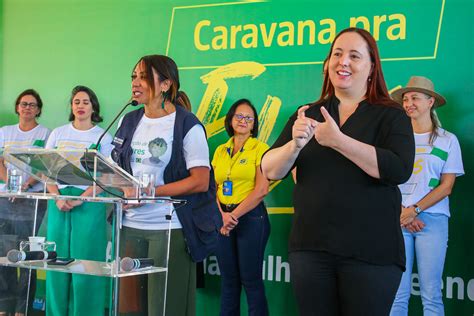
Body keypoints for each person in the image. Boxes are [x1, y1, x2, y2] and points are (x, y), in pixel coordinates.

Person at [260, 27, 416, 315]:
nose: (343, 62)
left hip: (371, 253)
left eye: (354, 56)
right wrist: (294, 145)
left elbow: (399, 169)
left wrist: (339, 141)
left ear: (371, 68)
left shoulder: (391, 115)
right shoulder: (307, 113)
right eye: (337, 54)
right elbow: (270, 169)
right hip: (311, 250)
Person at [111, 54, 221, 316]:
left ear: (165, 85)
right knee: (129, 308)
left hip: (168, 227)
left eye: (144, 77)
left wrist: (151, 192)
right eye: (134, 76)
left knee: (165, 307)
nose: (136, 83)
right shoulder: (128, 121)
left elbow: (200, 180)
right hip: (129, 226)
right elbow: (115, 169)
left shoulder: (187, 124)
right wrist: (118, 187)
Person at [390, 76, 464, 316]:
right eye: (406, 99)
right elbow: (386, 178)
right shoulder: (396, 139)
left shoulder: (447, 139)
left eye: (415, 98)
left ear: (430, 101)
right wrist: (404, 212)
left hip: (432, 220)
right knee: (396, 295)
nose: (409, 103)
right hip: (397, 218)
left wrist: (415, 210)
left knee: (431, 294)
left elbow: (447, 186)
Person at [45, 85, 113, 316]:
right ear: (71, 106)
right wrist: (57, 196)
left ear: (94, 107)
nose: (80, 106)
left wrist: (82, 199)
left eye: (85, 102)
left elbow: (107, 175)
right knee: (55, 263)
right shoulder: (58, 133)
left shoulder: (103, 136)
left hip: (89, 201)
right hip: (58, 201)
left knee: (86, 264)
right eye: (76, 102)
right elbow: (45, 169)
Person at [212, 99, 270, 316]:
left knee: (251, 281)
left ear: (254, 124)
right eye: (239, 116)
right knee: (229, 281)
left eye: (249, 118)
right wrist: (221, 215)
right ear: (231, 120)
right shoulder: (220, 150)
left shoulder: (260, 148)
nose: (243, 121)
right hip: (222, 218)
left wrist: (232, 216)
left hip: (251, 218)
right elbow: (213, 187)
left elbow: (261, 189)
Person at [0, 89, 50, 316]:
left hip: (33, 201)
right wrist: (10, 186)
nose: (27, 108)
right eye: (23, 104)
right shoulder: (5, 132)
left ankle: (22, 310)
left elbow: (45, 167)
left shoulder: (46, 133)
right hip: (5, 199)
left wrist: (25, 186)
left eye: (32, 105)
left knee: (27, 254)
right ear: (17, 108)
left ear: (38, 109)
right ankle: (4, 306)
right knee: (4, 255)